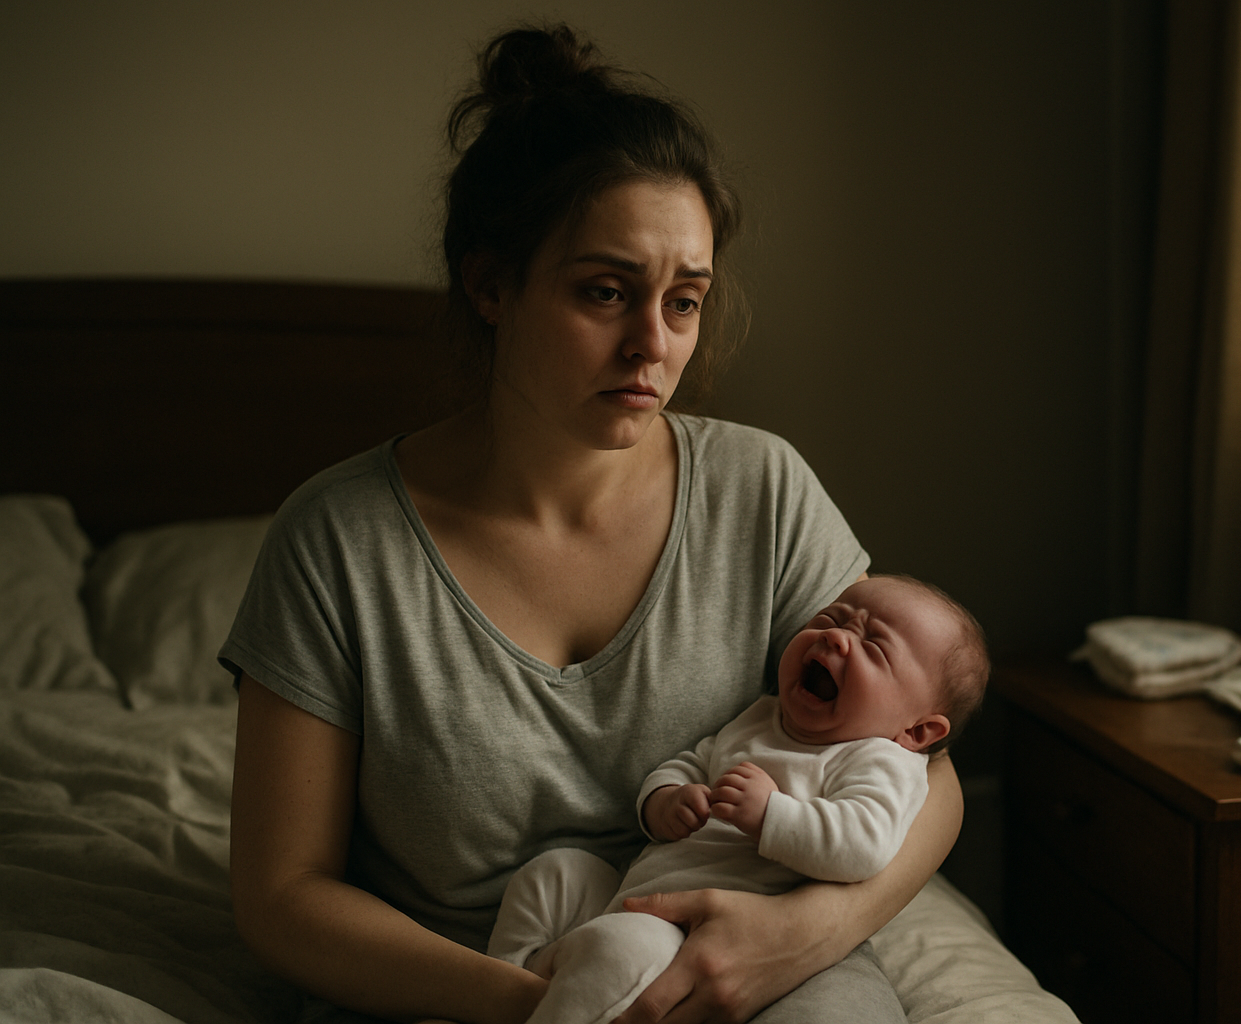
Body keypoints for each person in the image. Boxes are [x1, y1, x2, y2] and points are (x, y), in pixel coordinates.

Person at [221, 23, 964, 1024]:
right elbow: (282, 898)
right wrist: (544, 1004)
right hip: (458, 981)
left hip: (747, 953)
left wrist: (799, 936)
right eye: (605, 292)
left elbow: (926, 767)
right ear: (491, 285)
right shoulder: (338, 542)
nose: (652, 346)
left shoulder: (763, 489)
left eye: (685, 301)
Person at [485, 575, 989, 1024]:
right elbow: (695, 760)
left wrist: (773, 815)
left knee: (620, 951)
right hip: (632, 894)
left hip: (706, 932)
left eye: (874, 648)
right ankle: (500, 986)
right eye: (831, 620)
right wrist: (665, 800)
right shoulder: (763, 716)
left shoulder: (881, 762)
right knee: (555, 874)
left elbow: (864, 846)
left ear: (918, 730)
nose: (837, 636)